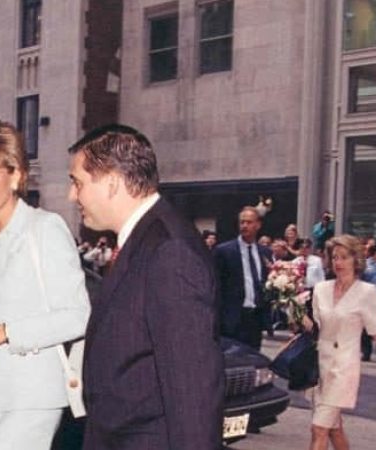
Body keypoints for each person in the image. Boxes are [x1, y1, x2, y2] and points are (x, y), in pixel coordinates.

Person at [68, 124, 222, 449]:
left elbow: (191, 387)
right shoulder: (145, 240)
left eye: (78, 183)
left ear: (111, 183)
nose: (72, 195)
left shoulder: (169, 250)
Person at [0, 121, 90, 449]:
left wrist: (1, 332)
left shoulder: (44, 229)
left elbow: (78, 315)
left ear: (15, 176)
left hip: (34, 396)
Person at [302, 235, 376, 450]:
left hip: (343, 369)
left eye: (344, 257)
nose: (338, 263)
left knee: (319, 429)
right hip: (319, 368)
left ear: (356, 260)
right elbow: (314, 327)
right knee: (334, 429)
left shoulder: (366, 292)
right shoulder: (321, 289)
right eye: (334, 257)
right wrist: (293, 309)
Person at [215, 207, 272, 350]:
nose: (244, 226)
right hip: (232, 319)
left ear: (258, 225)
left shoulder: (265, 252)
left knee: (254, 361)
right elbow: (215, 285)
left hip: (255, 319)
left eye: (249, 222)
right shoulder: (224, 251)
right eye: (242, 222)